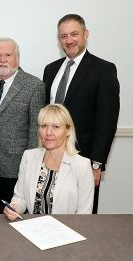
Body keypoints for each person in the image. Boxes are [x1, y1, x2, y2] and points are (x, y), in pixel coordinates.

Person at [43, 14, 120, 214]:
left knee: (83, 220)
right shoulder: (50, 70)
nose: (69, 40)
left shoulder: (104, 70)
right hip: (50, 157)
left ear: (85, 34)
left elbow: (107, 121)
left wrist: (96, 165)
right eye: (63, 36)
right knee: (49, 213)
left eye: (74, 34)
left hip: (83, 160)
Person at [0, 37, 45, 214]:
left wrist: (30, 168)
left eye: (8, 55)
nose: (2, 60)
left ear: (17, 57)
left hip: (17, 170)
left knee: (16, 221)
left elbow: (35, 131)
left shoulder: (34, 85)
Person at [4, 104, 94, 220]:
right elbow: (20, 197)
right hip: (31, 229)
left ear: (68, 130)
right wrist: (15, 207)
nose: (48, 132)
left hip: (67, 232)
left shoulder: (82, 165)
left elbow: (84, 214)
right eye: (43, 126)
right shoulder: (29, 156)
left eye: (56, 127)